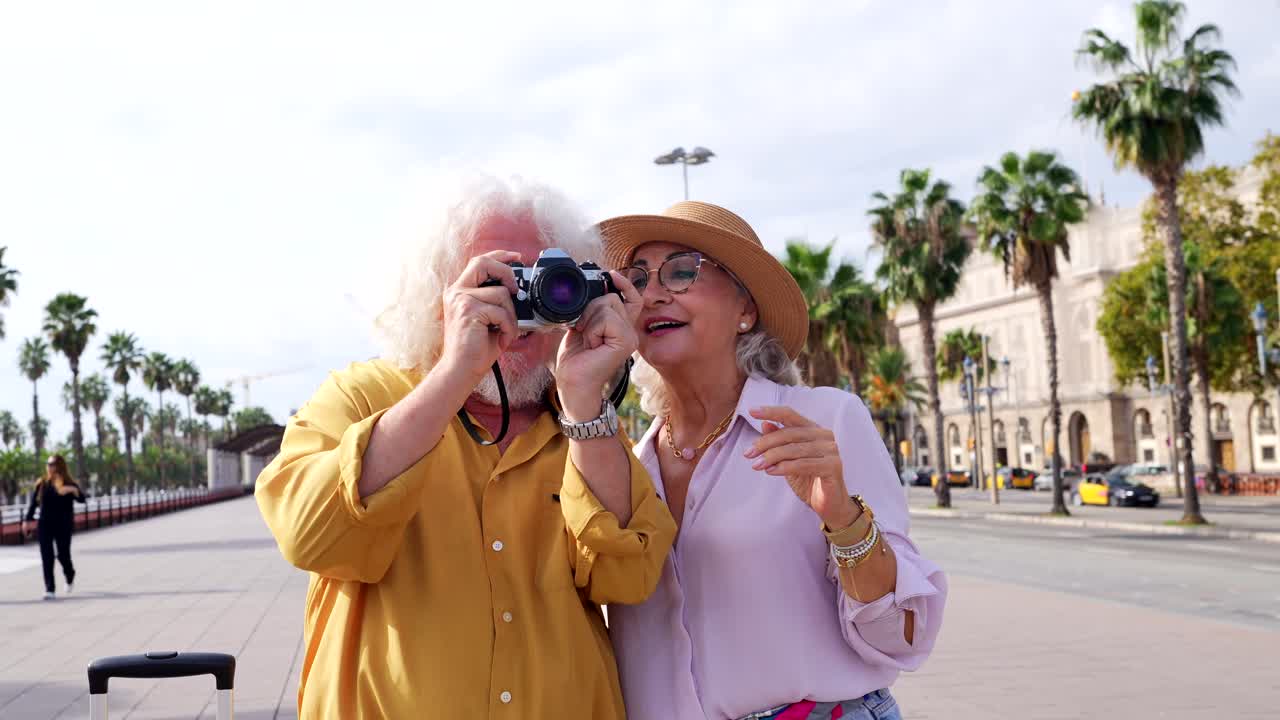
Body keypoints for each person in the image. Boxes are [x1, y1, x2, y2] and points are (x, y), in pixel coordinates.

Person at [255, 176, 676, 718]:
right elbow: (309, 534)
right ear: (436, 297)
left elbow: (628, 576)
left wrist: (583, 399)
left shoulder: (582, 425)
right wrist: (455, 373)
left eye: (544, 281)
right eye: (497, 279)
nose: (518, 305)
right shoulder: (360, 398)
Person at [598, 201, 948, 720]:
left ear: (746, 309)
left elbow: (901, 636)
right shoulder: (624, 464)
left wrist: (844, 521)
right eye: (637, 277)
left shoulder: (822, 421)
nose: (653, 294)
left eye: (682, 271)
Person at [24, 454, 86, 600]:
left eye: (52, 464)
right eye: (48, 464)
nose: (49, 467)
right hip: (45, 524)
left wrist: (71, 490)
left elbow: (82, 499)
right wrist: (27, 520)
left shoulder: (69, 483)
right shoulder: (42, 483)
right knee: (47, 556)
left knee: (62, 555)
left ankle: (70, 574)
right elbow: (34, 504)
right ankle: (49, 589)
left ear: (60, 466)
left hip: (64, 524)